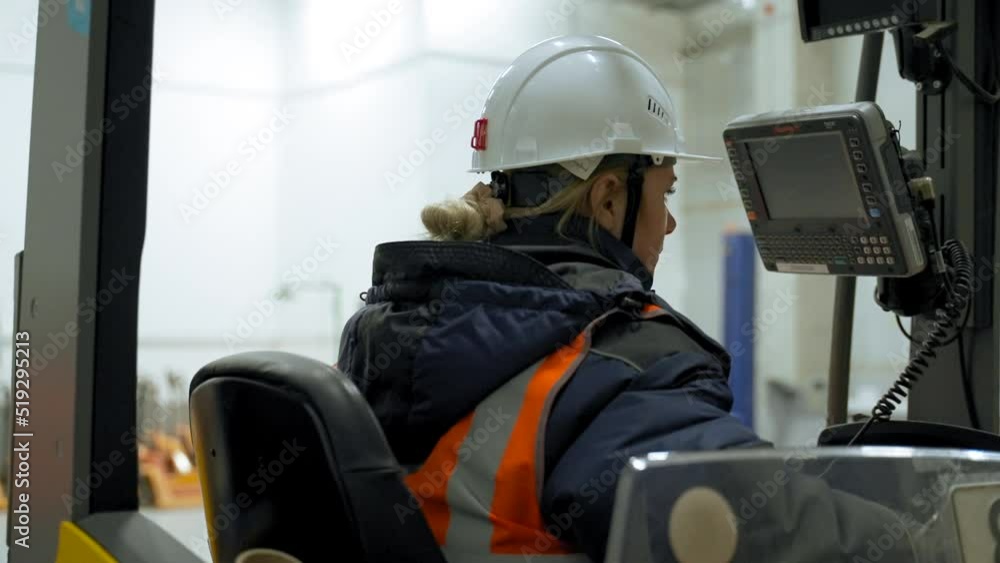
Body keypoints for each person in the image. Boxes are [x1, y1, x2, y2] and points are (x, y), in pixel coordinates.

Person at [337, 35, 916, 562]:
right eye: (666, 194)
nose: (669, 223)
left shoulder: (383, 329)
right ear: (609, 199)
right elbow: (772, 527)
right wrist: (925, 538)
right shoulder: (616, 365)